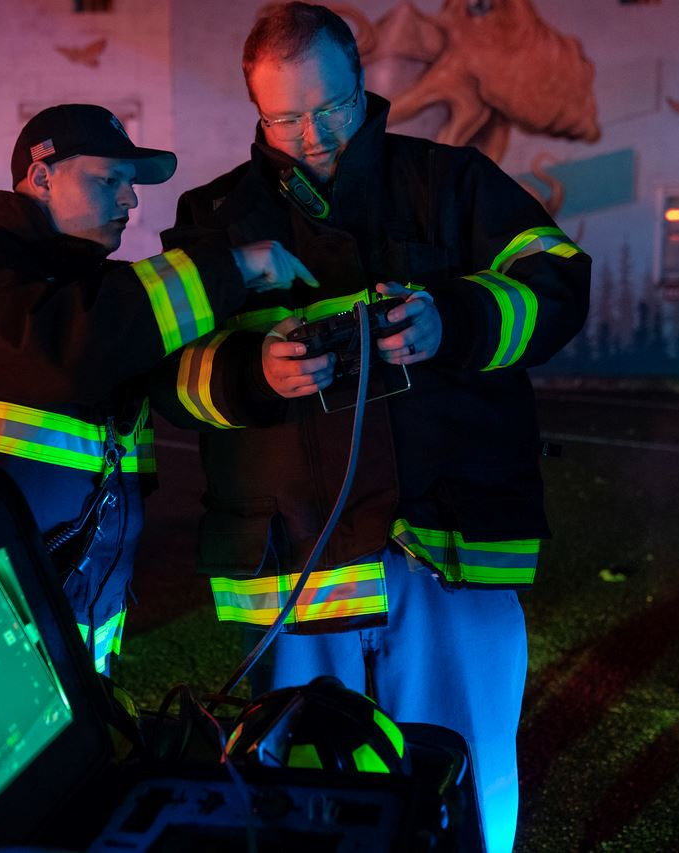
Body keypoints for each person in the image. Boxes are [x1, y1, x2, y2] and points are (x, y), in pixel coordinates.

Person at [151, 5, 591, 850]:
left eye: (331, 108)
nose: (311, 135)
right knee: (303, 791)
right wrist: (253, 370)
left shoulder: (451, 182)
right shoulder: (216, 218)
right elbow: (170, 373)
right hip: (300, 550)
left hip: (441, 538)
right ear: (256, 109)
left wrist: (451, 320)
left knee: (461, 768)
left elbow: (558, 280)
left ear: (362, 84)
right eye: (284, 117)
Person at [0, 104, 315, 676]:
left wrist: (266, 361)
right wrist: (229, 269)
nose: (130, 201)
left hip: (77, 623)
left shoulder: (93, 287)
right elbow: (72, 353)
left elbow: (152, 352)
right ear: (41, 175)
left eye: (130, 184)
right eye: (110, 180)